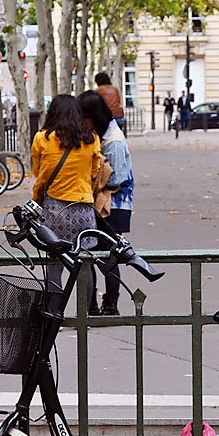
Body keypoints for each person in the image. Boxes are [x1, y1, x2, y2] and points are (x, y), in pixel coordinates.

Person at [31, 94, 102, 308]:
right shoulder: (91, 138)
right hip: (82, 208)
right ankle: (85, 314)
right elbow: (94, 172)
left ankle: (53, 314)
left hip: (54, 208)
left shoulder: (42, 138)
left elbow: (39, 173)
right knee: (85, 262)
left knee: (54, 263)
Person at [78, 90, 134, 317]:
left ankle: (110, 304)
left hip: (114, 205)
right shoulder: (101, 135)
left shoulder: (114, 141)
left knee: (109, 256)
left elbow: (117, 178)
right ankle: (94, 303)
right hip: (102, 204)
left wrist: (92, 181)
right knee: (94, 253)